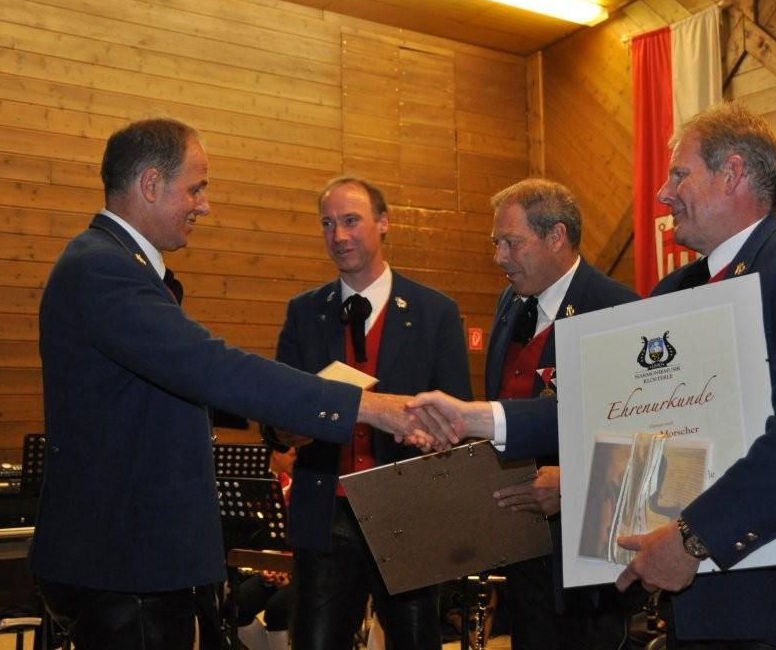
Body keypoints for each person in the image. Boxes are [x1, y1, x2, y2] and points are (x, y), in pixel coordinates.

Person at [409, 102, 776, 648]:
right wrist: (480, 419)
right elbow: (603, 411)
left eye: (679, 174)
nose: (663, 194)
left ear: (733, 173)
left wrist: (691, 538)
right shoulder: (675, 290)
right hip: (698, 607)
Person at [32, 119, 434, 650]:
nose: (204, 205)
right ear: (151, 184)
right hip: (125, 560)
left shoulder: (110, 262)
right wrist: (369, 406)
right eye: (195, 188)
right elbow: (213, 367)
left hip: (134, 555)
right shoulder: (104, 269)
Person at [260, 175, 472, 650]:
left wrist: (434, 435)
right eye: (327, 224)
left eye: (351, 220)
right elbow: (274, 421)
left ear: (384, 222)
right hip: (326, 513)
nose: (339, 235)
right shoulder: (303, 312)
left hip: (407, 514)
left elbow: (458, 418)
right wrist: (288, 429)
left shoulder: (435, 312)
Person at [480, 178, 638, 649]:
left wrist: (572, 484)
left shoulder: (617, 308)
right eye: (496, 243)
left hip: (588, 565)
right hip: (523, 548)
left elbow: (642, 438)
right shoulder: (509, 303)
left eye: (512, 242)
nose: (499, 257)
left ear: (556, 236)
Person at [232, 447, 296, 650]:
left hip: (303, 570)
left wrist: (290, 571)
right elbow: (273, 536)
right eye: (292, 454)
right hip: (280, 566)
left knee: (276, 610)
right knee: (236, 605)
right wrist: (269, 565)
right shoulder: (283, 489)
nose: (295, 460)